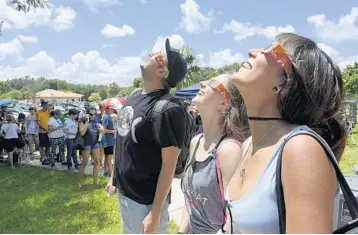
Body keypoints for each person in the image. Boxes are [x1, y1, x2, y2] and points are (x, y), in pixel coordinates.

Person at [225, 33, 346, 233]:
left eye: (270, 51)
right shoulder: (248, 145)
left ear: (285, 83)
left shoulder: (300, 149)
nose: (252, 51)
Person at [106, 38, 188, 234]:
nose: (152, 53)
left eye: (159, 56)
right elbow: (122, 137)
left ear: (162, 72)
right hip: (126, 192)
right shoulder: (134, 95)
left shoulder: (169, 110)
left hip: (146, 203)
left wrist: (155, 214)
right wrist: (113, 177)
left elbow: (168, 168)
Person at [178, 74, 250, 234]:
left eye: (213, 83)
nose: (202, 83)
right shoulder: (195, 142)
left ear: (224, 103)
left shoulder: (229, 150)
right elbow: (192, 200)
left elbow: (234, 217)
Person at [76, 106, 103, 188]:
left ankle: (95, 182)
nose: (93, 115)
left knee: (97, 162)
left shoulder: (97, 119)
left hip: (95, 143)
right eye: (91, 114)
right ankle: (78, 182)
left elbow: (101, 131)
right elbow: (82, 132)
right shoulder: (83, 120)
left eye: (94, 113)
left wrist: (101, 129)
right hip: (86, 144)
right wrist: (87, 122)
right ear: (87, 113)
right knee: (84, 163)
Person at [101, 103, 116, 177]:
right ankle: (111, 173)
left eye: (113, 108)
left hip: (109, 139)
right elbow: (103, 129)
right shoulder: (106, 117)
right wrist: (113, 131)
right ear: (106, 109)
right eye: (111, 108)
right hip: (107, 140)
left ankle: (106, 172)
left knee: (107, 156)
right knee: (109, 156)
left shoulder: (108, 116)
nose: (112, 109)